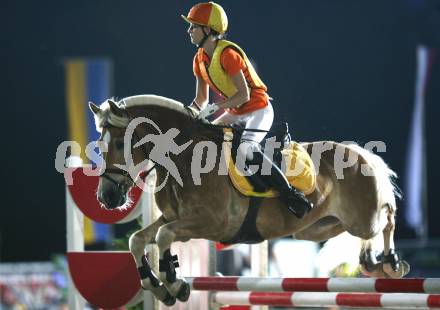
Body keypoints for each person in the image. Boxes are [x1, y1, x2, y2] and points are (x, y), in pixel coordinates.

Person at [182, 2, 312, 218]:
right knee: (205, 139)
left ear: (207, 29)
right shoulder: (199, 60)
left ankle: (292, 196)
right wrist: (188, 115)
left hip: (258, 109)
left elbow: (244, 95)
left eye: (193, 26)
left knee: (246, 150)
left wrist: (215, 108)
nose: (189, 31)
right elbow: (201, 99)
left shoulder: (228, 55)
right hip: (236, 111)